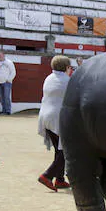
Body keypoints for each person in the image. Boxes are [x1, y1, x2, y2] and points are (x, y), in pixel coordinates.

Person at [37, 55, 72, 192]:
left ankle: (60, 179)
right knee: (65, 152)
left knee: (59, 150)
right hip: (57, 118)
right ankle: (47, 175)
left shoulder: (48, 78)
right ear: (66, 67)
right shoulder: (67, 80)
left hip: (45, 116)